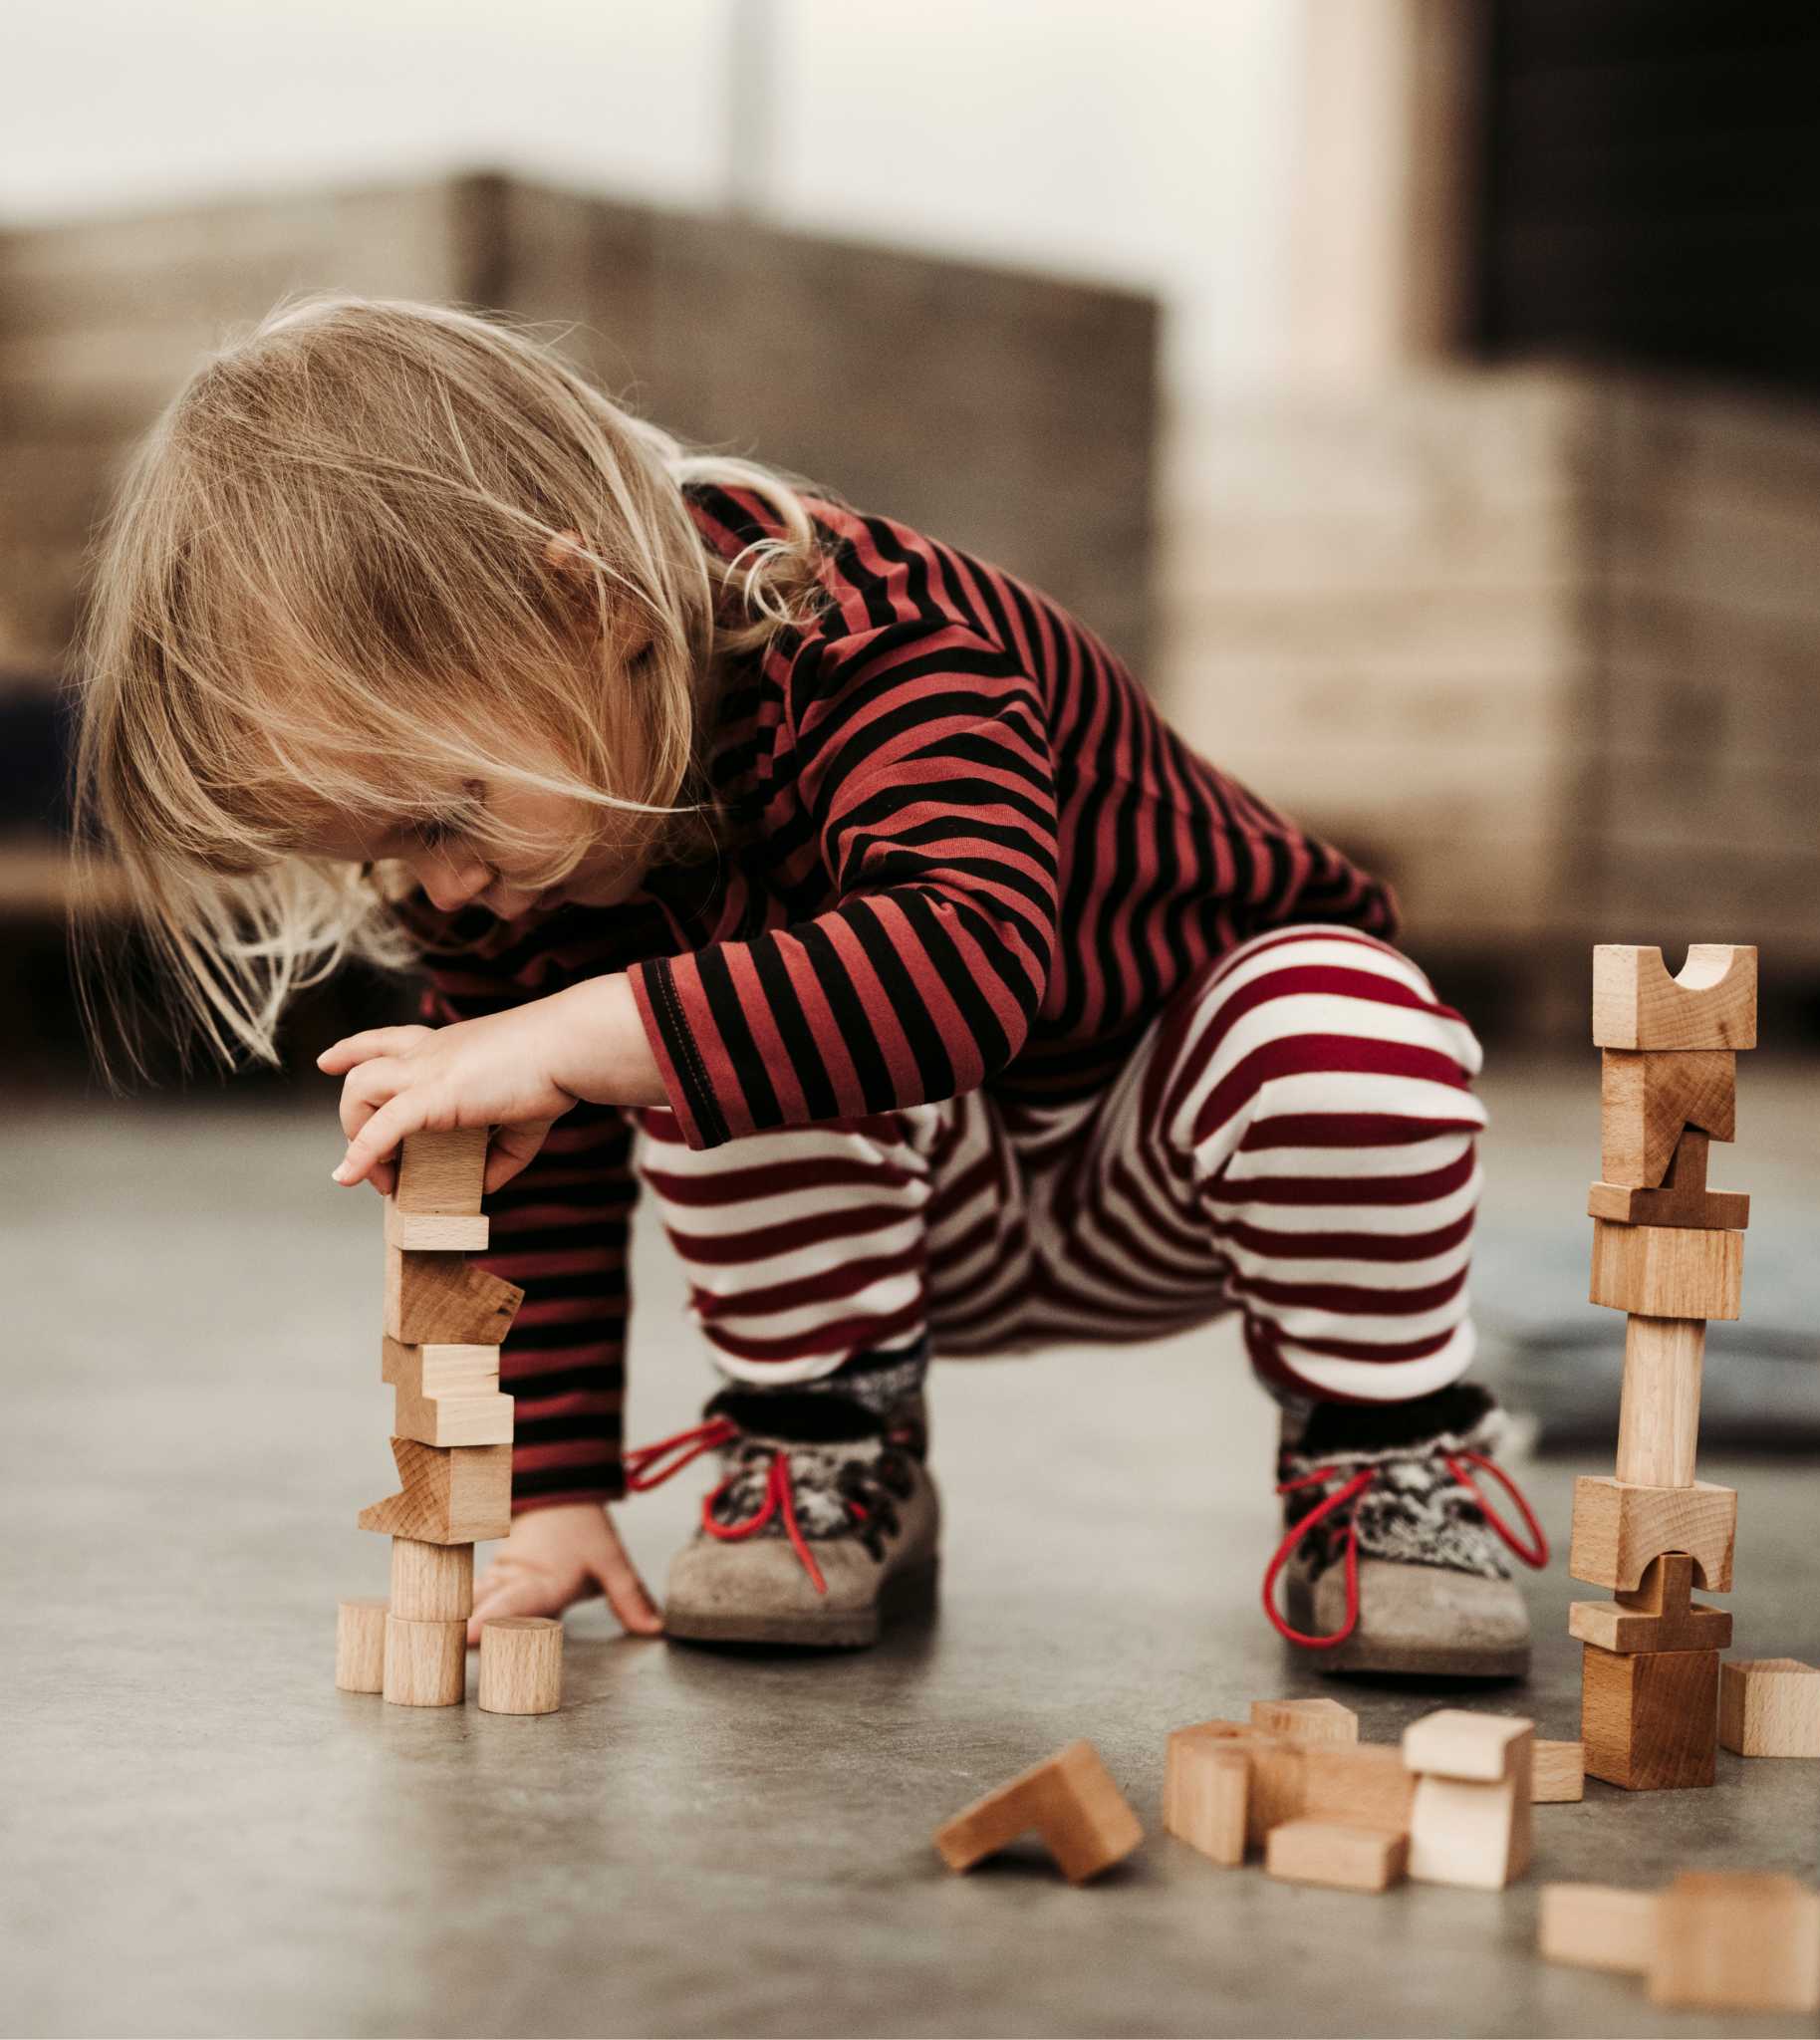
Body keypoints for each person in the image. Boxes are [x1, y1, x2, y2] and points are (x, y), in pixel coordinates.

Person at [73, 294, 1544, 1677]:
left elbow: (966, 970)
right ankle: (826, 1442)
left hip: (1180, 1163)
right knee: (686, 1037)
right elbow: (542, 1186)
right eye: (388, 850)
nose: (438, 885)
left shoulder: (881, 640)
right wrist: (555, 1493)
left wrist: (577, 1034)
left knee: (1341, 1020)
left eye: (445, 814)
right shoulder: (514, 856)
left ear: (589, 609)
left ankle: (1382, 1454)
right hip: (913, 1230)